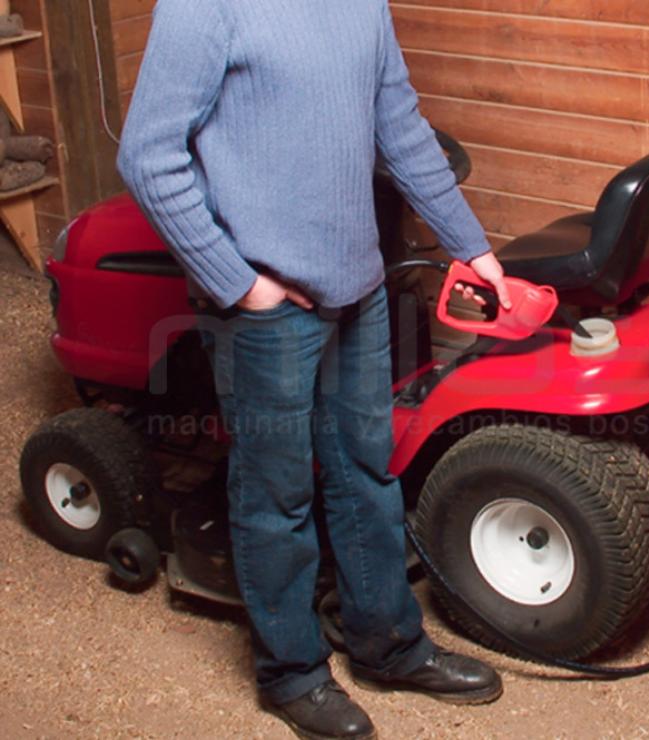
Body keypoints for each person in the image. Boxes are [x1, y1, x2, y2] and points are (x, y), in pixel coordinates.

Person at [117, 1, 508, 738]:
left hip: (356, 286)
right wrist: (240, 284)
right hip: (264, 309)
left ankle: (388, 646)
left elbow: (400, 130)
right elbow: (147, 154)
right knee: (276, 495)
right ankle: (291, 674)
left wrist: (473, 247)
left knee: (367, 473)